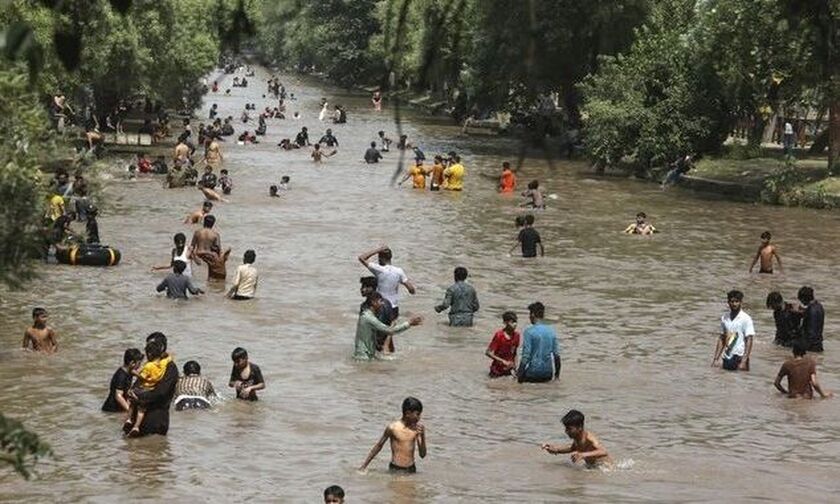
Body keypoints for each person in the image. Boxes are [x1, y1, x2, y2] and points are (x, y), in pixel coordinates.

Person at [126, 332, 179, 436]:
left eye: (152, 347)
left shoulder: (170, 368)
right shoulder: (148, 366)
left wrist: (139, 396)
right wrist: (131, 392)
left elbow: (161, 393)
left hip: (155, 420)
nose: (148, 351)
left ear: (162, 347)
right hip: (138, 418)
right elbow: (139, 383)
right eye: (147, 347)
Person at [359, 397, 427, 474]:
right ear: (408, 413)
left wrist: (422, 436)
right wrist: (364, 466)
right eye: (417, 414)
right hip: (395, 469)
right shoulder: (393, 428)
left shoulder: (416, 430)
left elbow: (422, 455)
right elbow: (379, 446)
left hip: (411, 469)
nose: (419, 417)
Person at [355, 292, 422, 360]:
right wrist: (409, 323)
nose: (382, 304)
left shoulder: (367, 315)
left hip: (367, 355)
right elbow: (389, 330)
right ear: (373, 302)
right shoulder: (369, 318)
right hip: (364, 358)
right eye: (380, 301)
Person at [358, 246, 416, 319]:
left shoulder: (379, 269)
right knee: (392, 328)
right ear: (390, 257)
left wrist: (377, 249)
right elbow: (411, 290)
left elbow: (361, 258)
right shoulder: (399, 271)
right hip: (394, 308)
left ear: (380, 258)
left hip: (380, 306)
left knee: (379, 328)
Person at [540, 410, 612, 468]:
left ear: (580, 427)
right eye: (566, 428)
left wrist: (583, 455)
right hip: (593, 467)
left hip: (605, 468)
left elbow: (603, 451)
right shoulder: (577, 438)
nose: (566, 431)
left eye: (569, 429)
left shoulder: (589, 438)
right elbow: (572, 448)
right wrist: (555, 449)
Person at [517, 302, 561, 382]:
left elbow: (526, 356)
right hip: (548, 374)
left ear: (533, 314)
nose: (529, 316)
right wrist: (557, 376)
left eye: (530, 314)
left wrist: (519, 376)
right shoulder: (551, 331)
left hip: (533, 373)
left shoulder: (529, 332)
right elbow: (556, 355)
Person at [712, 290, 755, 371]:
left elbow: (749, 340)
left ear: (741, 302)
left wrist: (744, 361)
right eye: (732, 301)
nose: (734, 304)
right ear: (728, 302)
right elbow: (721, 338)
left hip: (739, 357)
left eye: (737, 301)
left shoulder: (746, 319)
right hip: (727, 356)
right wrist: (716, 359)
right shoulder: (724, 318)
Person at [360, 276, 396, 353]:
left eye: (366, 287)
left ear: (373, 288)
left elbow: (392, 323)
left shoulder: (384, 304)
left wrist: (387, 344)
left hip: (384, 343)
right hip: (372, 344)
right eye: (362, 286)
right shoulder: (364, 306)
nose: (362, 289)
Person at [102, 348, 143, 413]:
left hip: (118, 406)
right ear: (132, 363)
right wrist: (129, 411)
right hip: (112, 409)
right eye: (139, 363)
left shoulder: (128, 370)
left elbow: (136, 372)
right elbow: (118, 396)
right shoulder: (121, 376)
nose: (140, 366)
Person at [486, 312, 520, 378]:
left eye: (515, 322)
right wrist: (503, 361)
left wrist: (515, 366)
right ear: (505, 323)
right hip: (496, 371)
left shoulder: (517, 335)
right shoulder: (499, 335)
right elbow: (488, 352)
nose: (515, 324)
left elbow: (514, 352)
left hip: (509, 370)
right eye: (512, 322)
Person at [798, 286, 824, 352]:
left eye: (801, 300)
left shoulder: (811, 310)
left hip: (811, 347)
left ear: (804, 298)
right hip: (818, 344)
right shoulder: (819, 306)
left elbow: (812, 331)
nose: (802, 302)